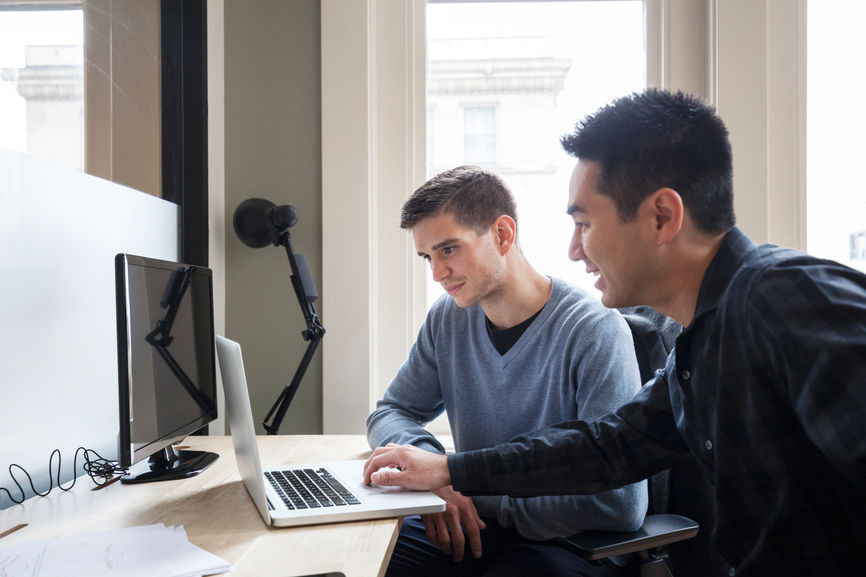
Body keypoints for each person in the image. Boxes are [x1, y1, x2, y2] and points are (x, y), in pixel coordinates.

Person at [363, 89, 866, 576]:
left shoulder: (782, 297)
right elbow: (609, 448)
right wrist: (451, 472)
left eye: (584, 224)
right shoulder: (700, 345)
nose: (574, 251)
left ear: (662, 217)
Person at [367, 165, 647, 577]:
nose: (437, 274)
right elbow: (391, 411)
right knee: (362, 555)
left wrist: (462, 485)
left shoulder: (594, 331)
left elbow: (619, 504)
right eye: (428, 257)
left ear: (502, 234)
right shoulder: (449, 318)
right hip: (473, 529)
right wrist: (432, 469)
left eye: (449, 249)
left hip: (568, 547)